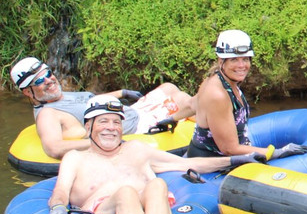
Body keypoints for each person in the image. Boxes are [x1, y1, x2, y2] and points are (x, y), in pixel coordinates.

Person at [45, 95, 261, 214]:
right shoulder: (76, 158)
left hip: (143, 205)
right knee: (126, 192)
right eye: (103, 122)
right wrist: (57, 208)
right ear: (89, 126)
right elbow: (61, 190)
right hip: (102, 209)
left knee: (157, 185)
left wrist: (234, 160)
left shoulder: (136, 149)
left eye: (116, 122)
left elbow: (185, 164)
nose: (111, 128)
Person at [10, 55, 194, 159]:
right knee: (184, 99)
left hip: (135, 111)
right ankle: (209, 130)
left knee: (169, 87)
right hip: (136, 126)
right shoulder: (47, 114)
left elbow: (90, 101)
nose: (49, 80)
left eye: (48, 74)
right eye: (40, 80)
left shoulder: (59, 96)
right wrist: (103, 143)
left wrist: (121, 92)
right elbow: (54, 148)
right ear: (27, 92)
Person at [184, 30, 307, 161]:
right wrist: (276, 152)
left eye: (245, 59)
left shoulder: (219, 78)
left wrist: (172, 118)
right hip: (212, 164)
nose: (242, 65)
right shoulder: (217, 95)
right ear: (221, 61)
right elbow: (229, 148)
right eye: (234, 60)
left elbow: (194, 103)